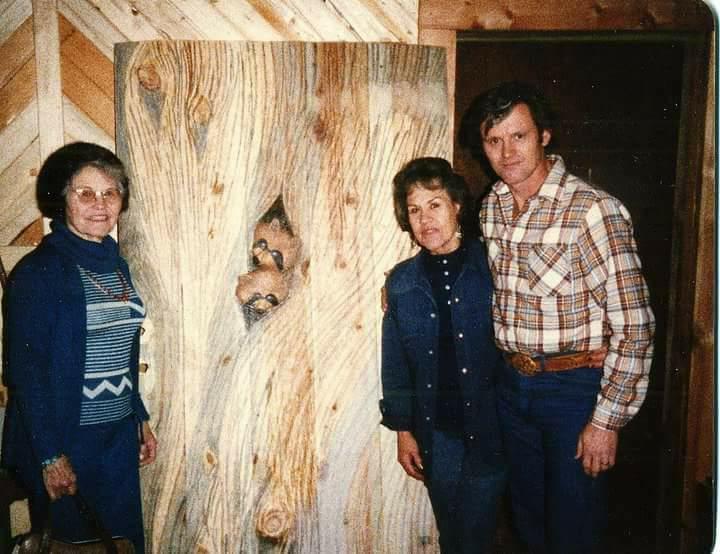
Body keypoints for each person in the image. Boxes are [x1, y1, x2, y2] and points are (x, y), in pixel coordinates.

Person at [459, 81, 655, 553]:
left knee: (573, 528)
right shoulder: (493, 207)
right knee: (528, 522)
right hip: (512, 387)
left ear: (545, 135)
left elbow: (635, 325)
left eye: (518, 136)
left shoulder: (593, 211)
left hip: (573, 393)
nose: (506, 153)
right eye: (493, 140)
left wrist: (607, 422)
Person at [1, 142, 157, 552]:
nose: (99, 204)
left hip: (116, 439)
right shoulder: (38, 272)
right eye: (84, 193)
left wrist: (138, 416)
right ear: (62, 199)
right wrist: (50, 456)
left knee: (119, 543)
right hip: (67, 439)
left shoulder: (117, 263)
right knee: (73, 545)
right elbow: (26, 374)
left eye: (110, 192)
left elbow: (123, 352)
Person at [379, 157, 506, 553]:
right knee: (453, 535)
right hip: (438, 435)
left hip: (494, 427)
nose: (425, 219)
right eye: (414, 210)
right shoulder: (401, 282)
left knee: (477, 535)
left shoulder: (493, 264)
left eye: (434, 204)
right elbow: (395, 365)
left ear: (456, 206)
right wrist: (404, 432)